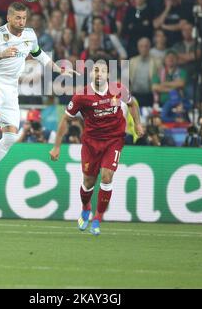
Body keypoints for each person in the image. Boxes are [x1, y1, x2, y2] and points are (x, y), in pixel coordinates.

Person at [0, 2, 78, 197]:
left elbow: (39, 55)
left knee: (11, 136)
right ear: (9, 18)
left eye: (24, 18)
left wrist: (59, 69)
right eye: (18, 18)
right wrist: (0, 55)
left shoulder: (30, 35)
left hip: (11, 88)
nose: (22, 22)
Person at [50, 59, 144, 236]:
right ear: (91, 74)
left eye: (102, 70)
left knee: (107, 177)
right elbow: (66, 119)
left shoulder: (118, 89)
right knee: (88, 182)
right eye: (95, 70)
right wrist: (57, 147)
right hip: (91, 142)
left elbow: (132, 104)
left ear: (108, 74)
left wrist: (138, 124)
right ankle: (86, 208)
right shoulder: (81, 96)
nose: (99, 73)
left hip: (114, 140)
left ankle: (97, 219)